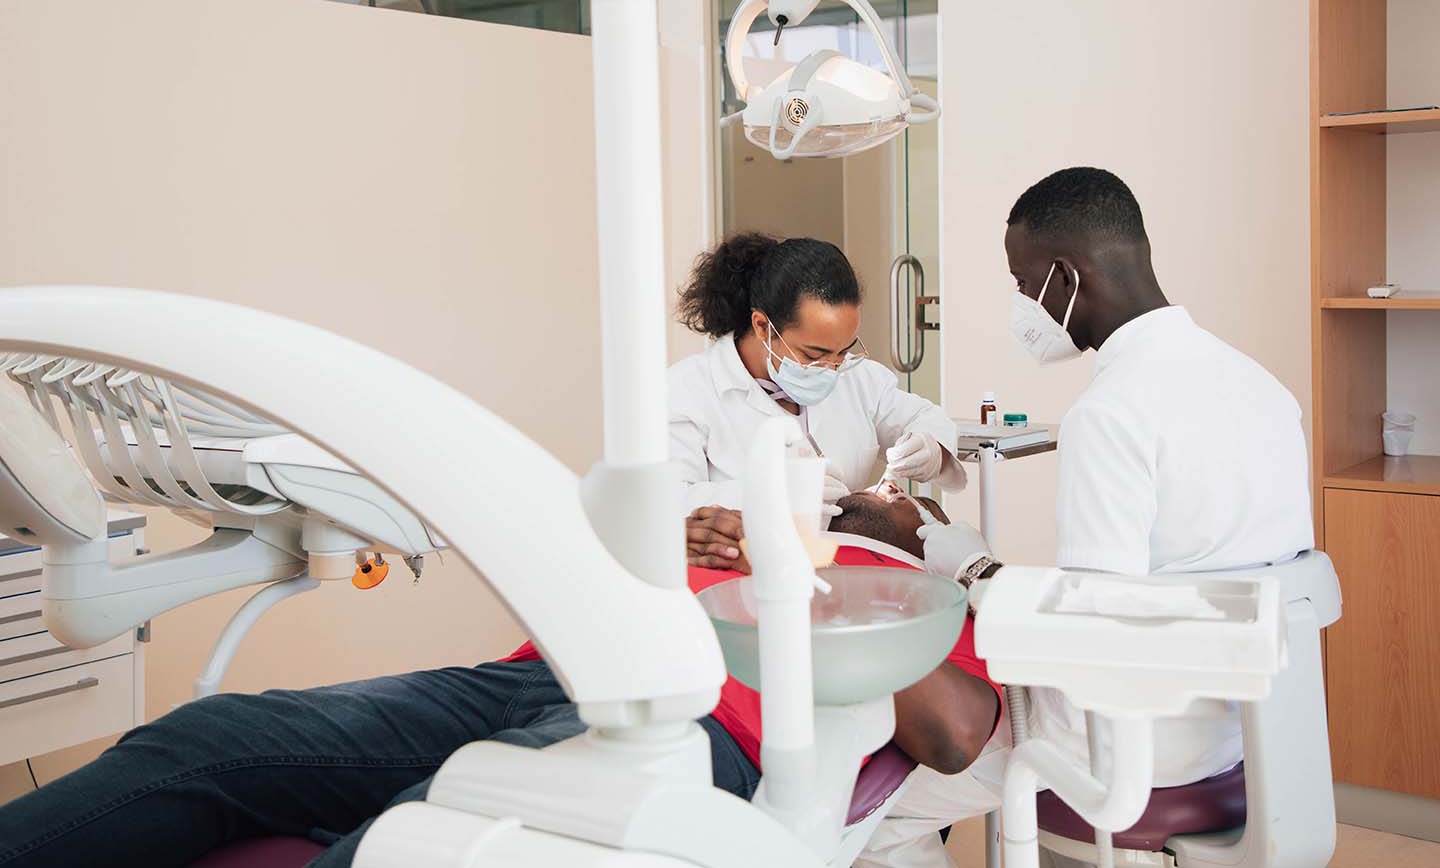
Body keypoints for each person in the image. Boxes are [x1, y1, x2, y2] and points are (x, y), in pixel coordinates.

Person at [0, 499, 999, 868]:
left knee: (430, 831)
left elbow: (956, 734)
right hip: (538, 672)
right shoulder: (735, 522)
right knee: (214, 738)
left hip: (691, 725)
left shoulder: (923, 597)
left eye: (888, 495)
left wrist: (811, 578)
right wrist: (662, 541)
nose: (865, 490)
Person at [862, 167, 1316, 867]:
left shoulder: (1109, 414)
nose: (1022, 304)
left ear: (1064, 279)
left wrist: (967, 566)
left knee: (869, 805)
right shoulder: (1263, 387)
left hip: (1135, 742)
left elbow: (1092, 635)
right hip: (1243, 728)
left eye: (1023, 284)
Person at [672, 233, 966, 558]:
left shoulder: (858, 378)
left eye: (843, 350)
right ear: (762, 326)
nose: (832, 368)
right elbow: (668, 503)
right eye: (814, 354)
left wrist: (931, 447)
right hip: (750, 569)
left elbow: (925, 418)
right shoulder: (688, 390)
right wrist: (772, 493)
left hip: (844, 564)